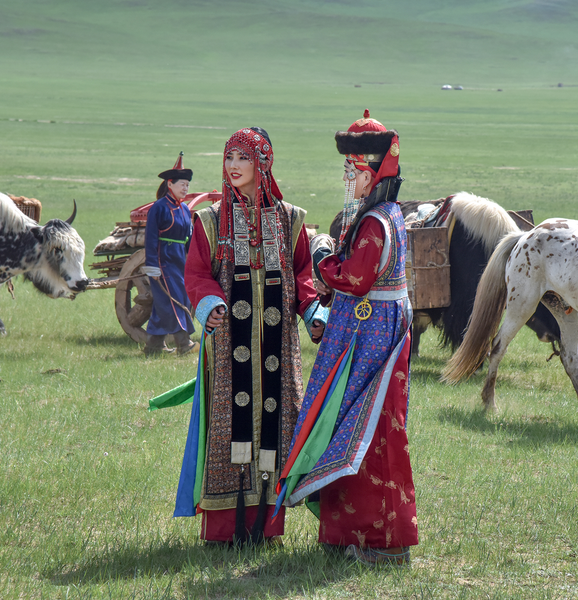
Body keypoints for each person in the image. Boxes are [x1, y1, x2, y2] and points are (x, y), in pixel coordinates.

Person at [277, 110, 418, 566]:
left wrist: (321, 259)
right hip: (380, 331)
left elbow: (356, 279)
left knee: (365, 433)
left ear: (374, 171)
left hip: (371, 336)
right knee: (368, 429)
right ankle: (355, 536)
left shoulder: (375, 223)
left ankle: (379, 541)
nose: (348, 177)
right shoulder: (387, 213)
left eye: (354, 169)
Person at [174, 127, 327, 544]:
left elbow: (302, 275)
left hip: (279, 348)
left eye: (244, 158)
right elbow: (197, 274)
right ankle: (225, 531)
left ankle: (268, 527)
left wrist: (313, 310)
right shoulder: (208, 221)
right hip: (228, 348)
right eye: (229, 158)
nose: (234, 166)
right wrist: (211, 304)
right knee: (229, 429)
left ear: (263, 163)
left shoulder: (291, 219)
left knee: (276, 430)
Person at [142, 152, 197, 356]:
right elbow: (151, 239)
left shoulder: (184, 209)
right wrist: (152, 266)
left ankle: (153, 346)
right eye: (182, 184)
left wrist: (193, 261)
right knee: (173, 298)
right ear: (170, 184)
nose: (185, 188)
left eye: (187, 185)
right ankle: (184, 342)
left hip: (179, 259)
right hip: (163, 260)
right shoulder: (158, 208)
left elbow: (189, 239)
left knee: (165, 301)